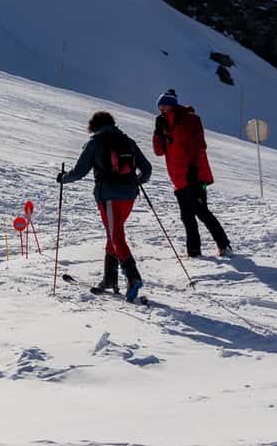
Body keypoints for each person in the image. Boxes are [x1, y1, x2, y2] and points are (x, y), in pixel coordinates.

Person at [58, 111, 152, 301]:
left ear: (94, 126)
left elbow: (79, 172)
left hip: (109, 196)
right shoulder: (127, 140)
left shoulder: (95, 142)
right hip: (130, 195)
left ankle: (133, 276)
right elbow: (147, 169)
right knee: (113, 233)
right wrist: (135, 181)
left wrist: (63, 178)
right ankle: (109, 278)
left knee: (116, 235)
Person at [152, 89, 230, 258]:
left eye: (164, 105)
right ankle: (194, 252)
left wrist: (193, 169)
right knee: (187, 216)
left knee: (201, 211)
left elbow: (199, 145)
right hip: (178, 178)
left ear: (172, 105)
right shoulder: (164, 124)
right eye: (160, 106)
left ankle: (224, 244)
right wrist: (157, 133)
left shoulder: (190, 119)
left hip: (195, 176)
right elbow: (159, 152)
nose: (161, 109)